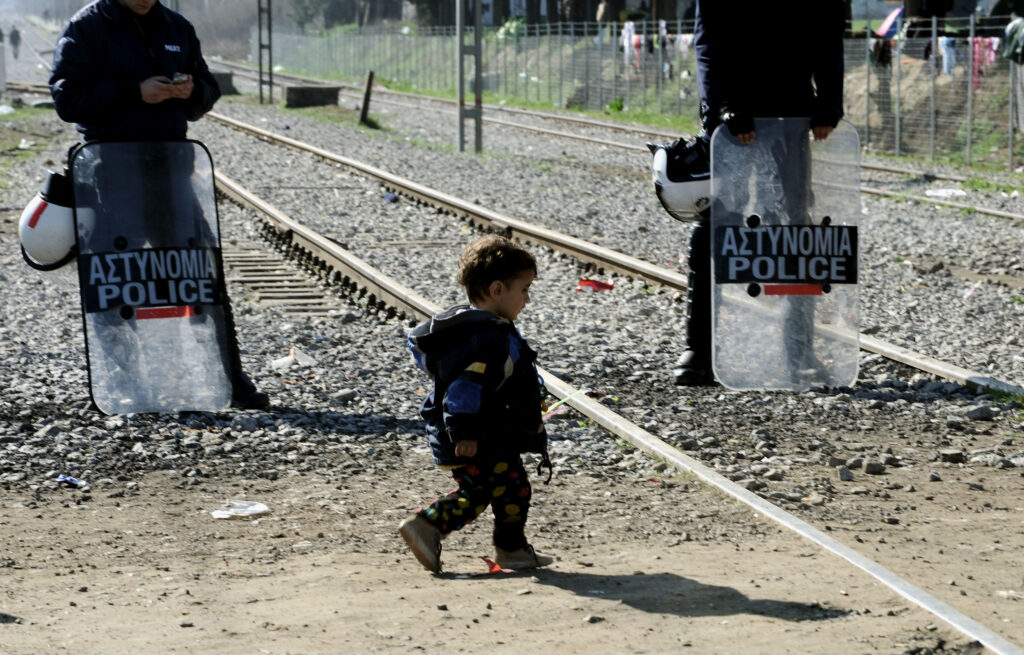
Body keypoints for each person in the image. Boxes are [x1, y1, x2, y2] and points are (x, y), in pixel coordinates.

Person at [48, 0, 268, 410]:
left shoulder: (177, 27)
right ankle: (125, 383)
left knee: (201, 273)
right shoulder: (87, 26)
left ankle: (230, 379)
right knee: (114, 279)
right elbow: (67, 99)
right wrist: (136, 94)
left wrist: (192, 92)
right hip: (111, 174)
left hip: (172, 170)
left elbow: (208, 91)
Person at [653, 0, 845, 386]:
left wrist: (829, 102)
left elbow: (827, 33)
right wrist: (722, 109)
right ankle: (700, 350)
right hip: (733, 117)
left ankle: (799, 348)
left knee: (795, 227)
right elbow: (708, 44)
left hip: (792, 112)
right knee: (718, 224)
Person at [399, 235, 553, 574]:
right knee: (487, 490)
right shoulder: (491, 340)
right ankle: (427, 526)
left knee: (510, 487)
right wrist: (465, 432)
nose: (527, 299)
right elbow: (465, 389)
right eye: (524, 290)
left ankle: (512, 550)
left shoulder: (474, 328)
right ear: (497, 290)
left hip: (486, 432)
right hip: (474, 436)